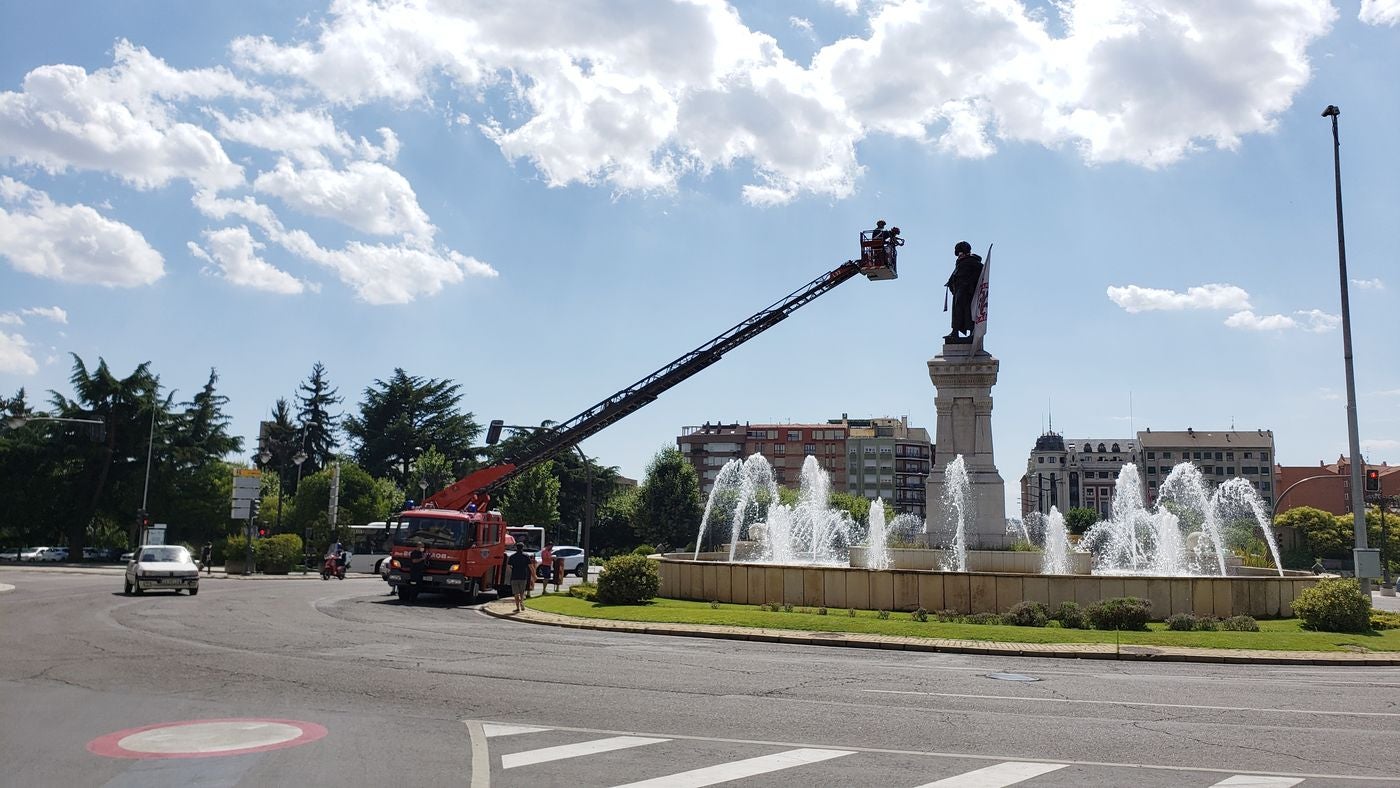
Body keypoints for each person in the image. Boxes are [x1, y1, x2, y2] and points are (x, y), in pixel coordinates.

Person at [943, 240, 983, 342]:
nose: (959, 255)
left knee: (968, 312)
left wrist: (969, 283)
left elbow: (980, 273)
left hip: (968, 292)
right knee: (957, 312)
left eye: (961, 253)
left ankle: (972, 333)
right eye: (958, 253)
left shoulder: (972, 261)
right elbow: (956, 276)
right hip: (958, 292)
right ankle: (954, 332)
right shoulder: (960, 263)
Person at [506, 543, 535, 613]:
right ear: (523, 548)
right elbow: (531, 567)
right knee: (522, 592)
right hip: (523, 576)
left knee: (516, 593)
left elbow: (508, 566)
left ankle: (517, 607)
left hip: (514, 576)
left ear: (516, 548)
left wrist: (512, 570)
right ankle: (522, 602)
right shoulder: (526, 556)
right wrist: (534, 575)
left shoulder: (512, 557)